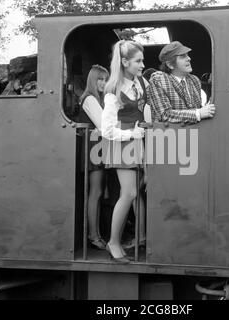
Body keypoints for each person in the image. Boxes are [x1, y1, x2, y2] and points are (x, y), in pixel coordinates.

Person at [101, 40, 148, 263]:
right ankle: (113, 242)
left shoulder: (140, 82)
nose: (142, 64)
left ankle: (138, 237)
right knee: (128, 193)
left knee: (136, 193)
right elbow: (107, 131)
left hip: (139, 141)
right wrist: (132, 135)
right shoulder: (113, 91)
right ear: (125, 62)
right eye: (138, 61)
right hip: (123, 143)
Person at [79, 64, 109, 250]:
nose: (103, 83)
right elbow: (103, 123)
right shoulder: (89, 98)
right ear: (93, 79)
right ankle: (93, 236)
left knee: (99, 193)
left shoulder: (98, 100)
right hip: (93, 147)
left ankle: (96, 234)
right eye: (100, 79)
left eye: (105, 80)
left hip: (98, 146)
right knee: (95, 192)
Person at [148, 41, 215, 123]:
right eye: (183, 56)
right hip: (167, 134)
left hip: (193, 132)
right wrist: (198, 114)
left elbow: (197, 109)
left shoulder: (194, 80)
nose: (189, 58)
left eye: (187, 55)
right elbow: (164, 115)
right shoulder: (158, 80)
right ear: (170, 65)